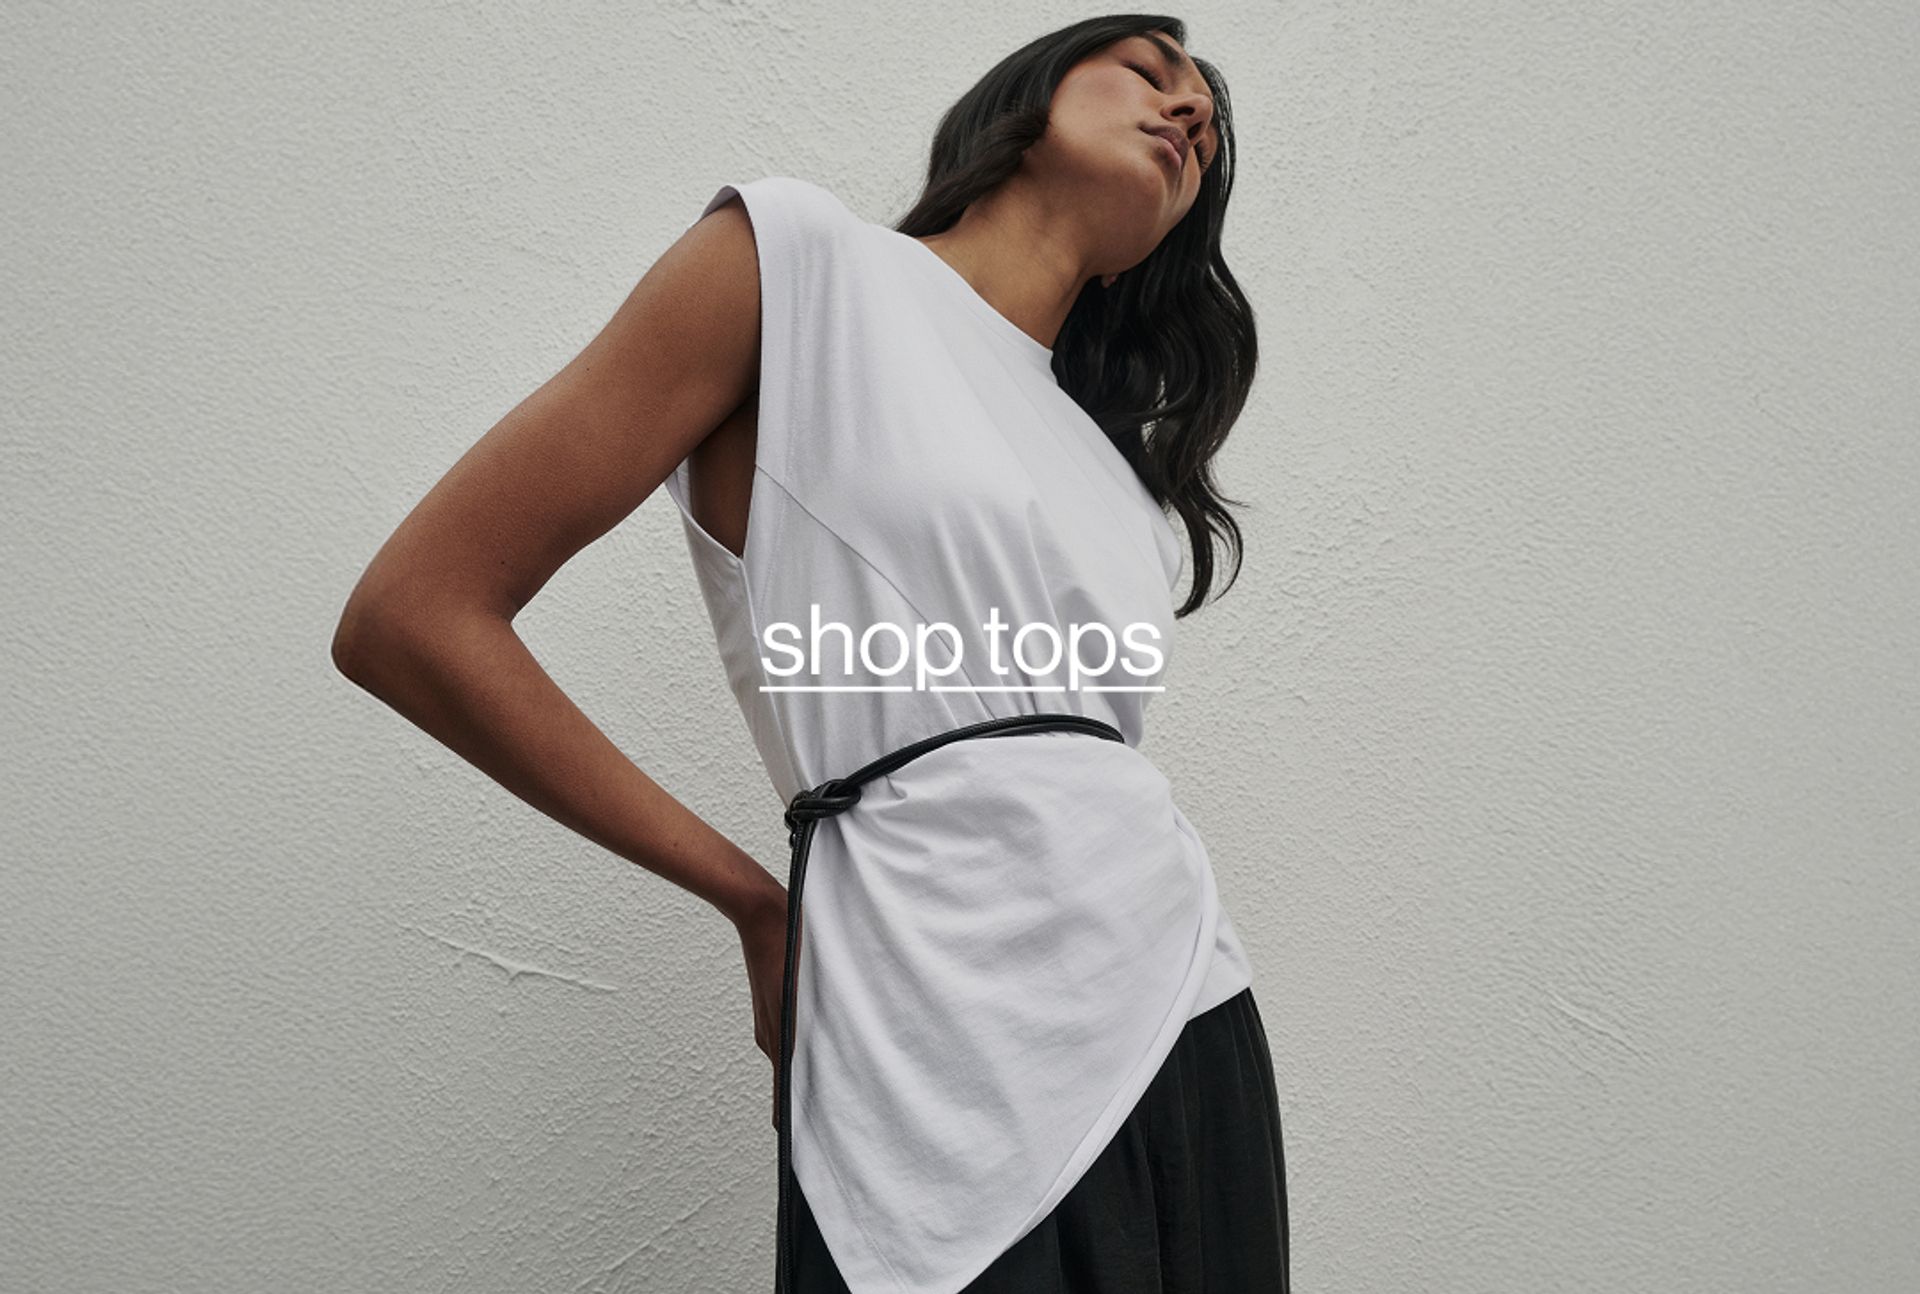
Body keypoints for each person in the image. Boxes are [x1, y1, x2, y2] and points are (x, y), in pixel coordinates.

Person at [332, 13, 1286, 1293]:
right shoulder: (798, 266)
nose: (1191, 113)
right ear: (1029, 95)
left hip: (1184, 1000)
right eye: (1149, 71)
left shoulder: (1116, 474)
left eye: (1207, 124)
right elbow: (414, 613)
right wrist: (754, 898)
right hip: (922, 1007)